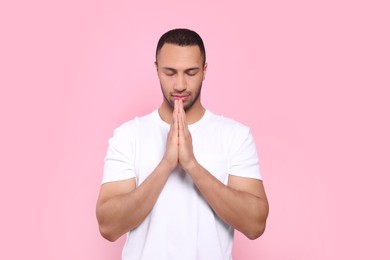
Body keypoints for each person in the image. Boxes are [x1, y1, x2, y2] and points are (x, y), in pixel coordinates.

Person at [96, 28, 269, 260]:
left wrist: (192, 166)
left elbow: (255, 224)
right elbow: (108, 226)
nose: (179, 84)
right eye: (170, 72)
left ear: (205, 71)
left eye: (191, 72)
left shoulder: (236, 136)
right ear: (156, 69)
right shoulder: (128, 136)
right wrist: (167, 164)